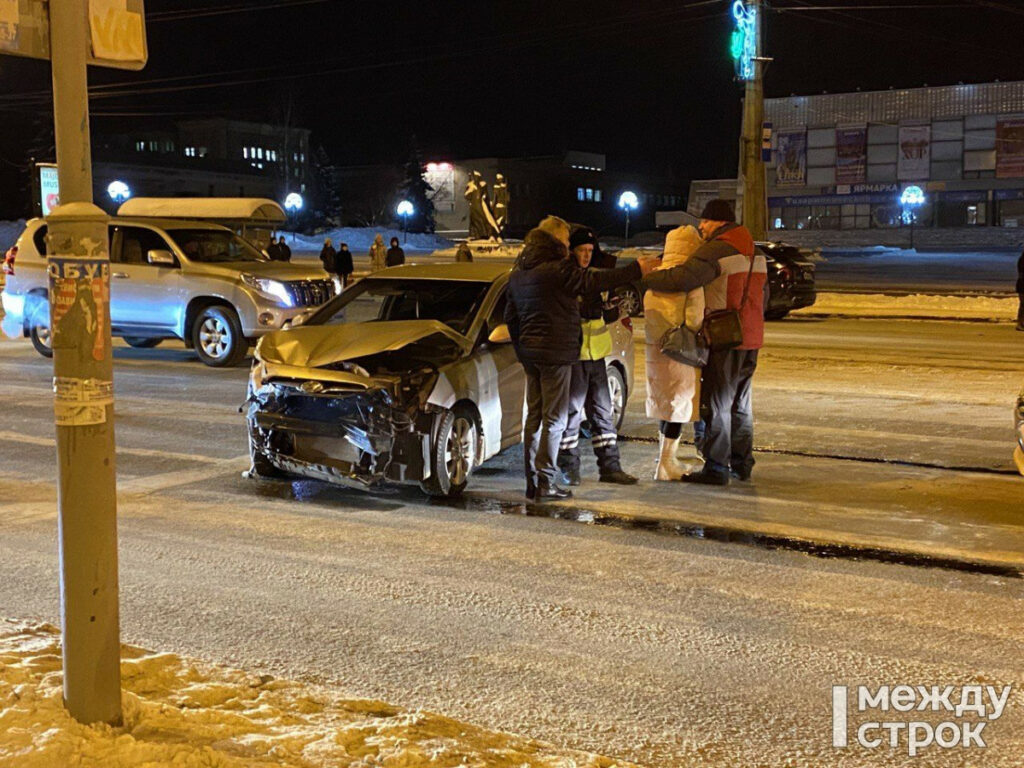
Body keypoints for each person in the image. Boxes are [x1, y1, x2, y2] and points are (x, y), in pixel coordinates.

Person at [504, 215, 655, 501]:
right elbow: (592, 281)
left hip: (532, 355)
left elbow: (511, 318)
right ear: (556, 241)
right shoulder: (557, 268)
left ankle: (533, 481)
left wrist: (524, 351)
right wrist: (636, 269)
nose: (566, 246)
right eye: (564, 241)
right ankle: (547, 481)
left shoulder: (519, 272)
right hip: (558, 355)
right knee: (556, 418)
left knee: (535, 417)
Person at [642, 199, 767, 486]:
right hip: (752, 336)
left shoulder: (717, 250)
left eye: (705, 221)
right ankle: (742, 463)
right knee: (741, 403)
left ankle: (716, 468)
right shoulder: (756, 251)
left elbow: (684, 278)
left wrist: (649, 278)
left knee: (717, 403)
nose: (701, 227)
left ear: (719, 221)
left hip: (724, 337)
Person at [557, 226, 638, 487]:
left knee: (603, 412)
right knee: (571, 413)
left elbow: (607, 317)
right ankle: (569, 467)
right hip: (575, 357)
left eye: (590, 251)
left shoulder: (595, 278)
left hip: (596, 356)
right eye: (581, 250)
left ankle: (610, 467)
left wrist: (611, 307)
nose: (586, 256)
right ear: (571, 251)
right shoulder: (570, 278)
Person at [643, 225, 706, 480]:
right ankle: (666, 464)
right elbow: (694, 320)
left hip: (656, 352)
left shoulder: (655, 279)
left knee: (665, 405)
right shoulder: (689, 282)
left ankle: (665, 460)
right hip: (681, 353)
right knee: (677, 407)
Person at [1017, 246, 1024, 331]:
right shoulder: (1022, 260)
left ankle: (1020, 323)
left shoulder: (1021, 260)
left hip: (1021, 285)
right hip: (1022, 285)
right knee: (1023, 304)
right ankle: (1020, 323)